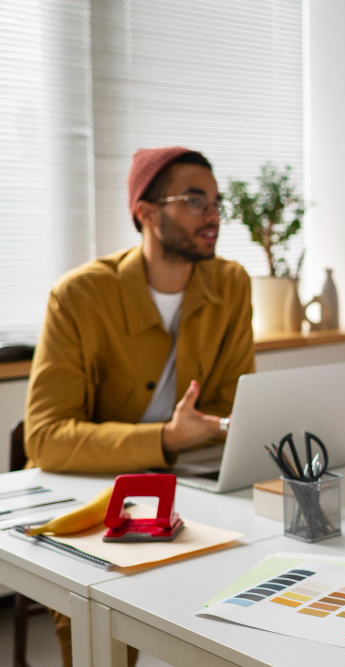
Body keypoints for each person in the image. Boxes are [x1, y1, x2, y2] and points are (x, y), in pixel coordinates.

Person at [24, 146, 255, 666]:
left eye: (217, 201)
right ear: (146, 212)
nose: (213, 214)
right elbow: (44, 438)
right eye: (195, 200)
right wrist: (164, 439)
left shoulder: (232, 284)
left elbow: (234, 405)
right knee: (97, 607)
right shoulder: (79, 296)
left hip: (190, 481)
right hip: (87, 488)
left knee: (264, 564)